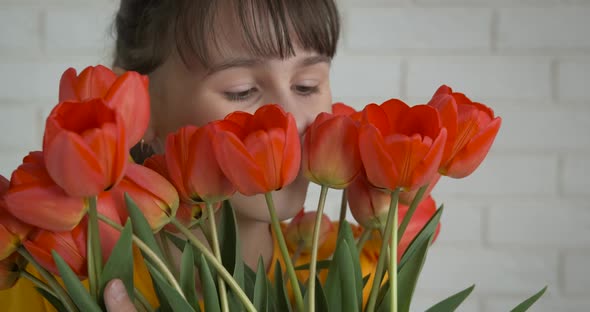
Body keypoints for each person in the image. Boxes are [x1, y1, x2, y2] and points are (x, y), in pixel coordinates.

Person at [0, 0, 346, 311]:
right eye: (241, 91)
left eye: (307, 85)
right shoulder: (44, 290)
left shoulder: (363, 279)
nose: (291, 122)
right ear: (139, 106)